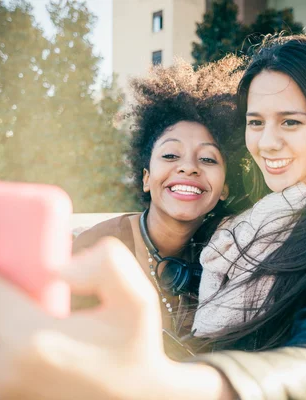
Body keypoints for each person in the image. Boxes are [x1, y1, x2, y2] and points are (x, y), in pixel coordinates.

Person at [0, 34, 306, 400]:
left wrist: (168, 387)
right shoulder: (237, 233)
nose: (268, 142)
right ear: (145, 173)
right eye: (256, 122)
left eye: (290, 121)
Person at [71, 56, 246, 353]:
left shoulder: (234, 253)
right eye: (170, 156)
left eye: (207, 158)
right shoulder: (94, 248)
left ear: (224, 189)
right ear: (146, 178)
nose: (188, 167)